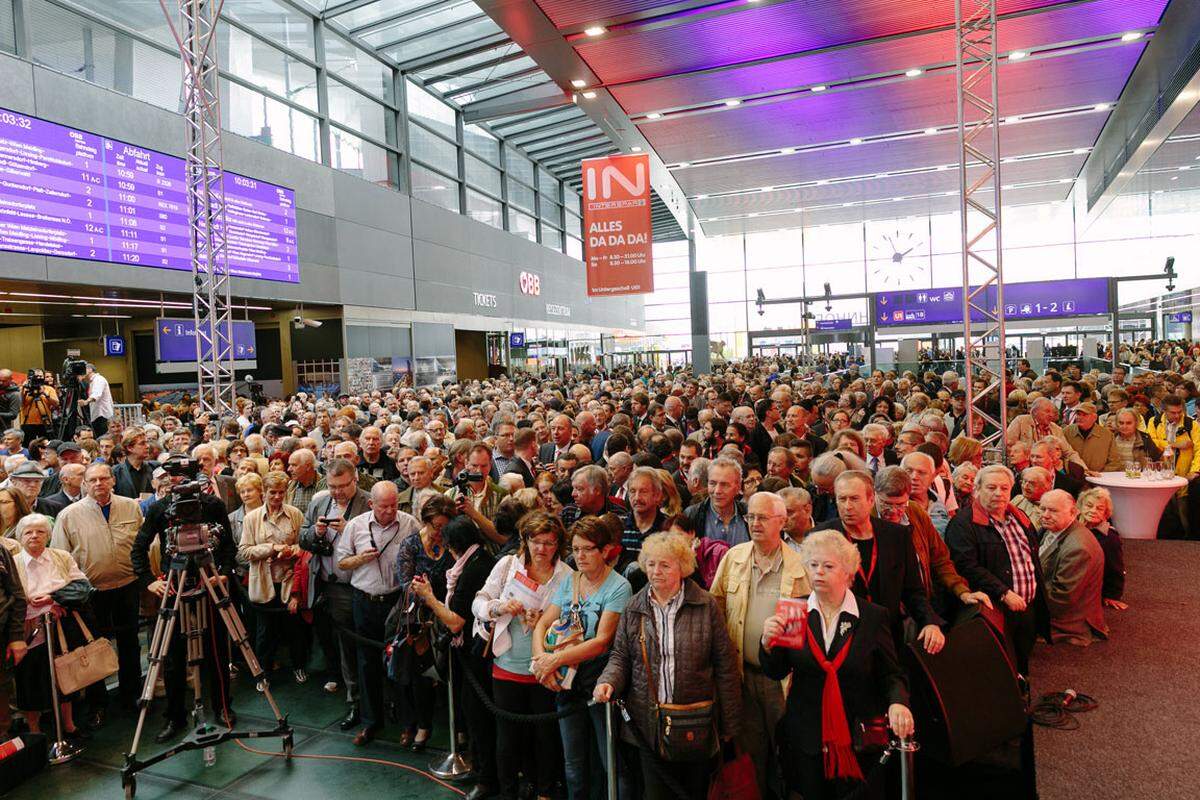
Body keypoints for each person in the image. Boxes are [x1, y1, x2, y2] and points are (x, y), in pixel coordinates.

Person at [759, 530, 913, 800]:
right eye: (813, 565)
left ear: (848, 573)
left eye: (828, 566)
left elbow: (891, 674)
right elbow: (777, 671)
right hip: (806, 736)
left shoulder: (872, 617)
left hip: (856, 737)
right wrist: (767, 645)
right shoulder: (795, 612)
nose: (818, 572)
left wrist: (898, 702)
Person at [594, 532, 743, 800]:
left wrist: (730, 725)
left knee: (694, 791)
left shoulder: (706, 605)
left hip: (695, 722)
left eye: (665, 565)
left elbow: (726, 666)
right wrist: (608, 681)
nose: (656, 571)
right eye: (650, 564)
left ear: (682, 567)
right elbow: (621, 656)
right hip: (648, 724)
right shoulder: (634, 606)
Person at [708, 491, 810, 799]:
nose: (755, 523)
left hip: (784, 681)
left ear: (782, 521)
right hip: (742, 674)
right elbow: (717, 606)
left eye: (763, 518)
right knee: (751, 754)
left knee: (786, 751)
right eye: (750, 516)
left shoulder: (802, 564)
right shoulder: (733, 557)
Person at [132, 454, 238, 742]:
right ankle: (175, 716)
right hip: (174, 585)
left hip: (209, 582)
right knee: (172, 656)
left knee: (217, 648)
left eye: (185, 477)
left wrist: (224, 572)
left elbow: (228, 545)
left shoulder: (213, 506)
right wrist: (148, 582)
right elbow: (138, 548)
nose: (179, 482)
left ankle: (223, 707)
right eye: (173, 477)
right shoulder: (159, 509)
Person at [472, 511, 573, 800]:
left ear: (558, 545)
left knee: (545, 737)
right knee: (508, 737)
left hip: (544, 667)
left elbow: (571, 622)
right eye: (535, 541)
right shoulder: (507, 565)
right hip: (507, 663)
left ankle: (543, 790)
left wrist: (546, 620)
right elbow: (479, 602)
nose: (541, 549)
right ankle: (508, 792)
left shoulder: (566, 575)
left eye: (549, 543)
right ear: (524, 540)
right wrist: (498, 608)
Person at [532, 515, 633, 800]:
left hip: (599, 682)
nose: (580, 556)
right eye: (576, 549)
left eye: (588, 549)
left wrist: (555, 661)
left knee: (610, 760)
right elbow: (542, 622)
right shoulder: (570, 580)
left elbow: (602, 641)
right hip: (567, 681)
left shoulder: (619, 586)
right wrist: (542, 662)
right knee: (573, 763)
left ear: (605, 551)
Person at [50, 462, 144, 725]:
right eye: (92, 480)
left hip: (127, 585)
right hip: (91, 594)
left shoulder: (131, 506)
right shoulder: (69, 515)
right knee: (93, 648)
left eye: (104, 478)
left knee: (129, 642)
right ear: (84, 484)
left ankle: (132, 695)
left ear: (113, 480)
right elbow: (60, 557)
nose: (99, 484)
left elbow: (141, 544)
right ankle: (98, 704)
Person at [412, 515, 498, 800]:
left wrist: (428, 596)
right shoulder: (479, 560)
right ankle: (483, 768)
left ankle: (487, 778)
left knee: (478, 716)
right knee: (473, 714)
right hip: (472, 655)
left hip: (475, 658)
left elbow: (456, 621)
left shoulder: (472, 570)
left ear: (452, 546)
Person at [814, 470, 945, 654]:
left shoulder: (897, 536)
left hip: (888, 638)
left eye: (854, 499)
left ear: (870, 499)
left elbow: (913, 591)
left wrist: (929, 622)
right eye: (842, 499)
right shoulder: (820, 537)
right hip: (840, 640)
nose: (847, 506)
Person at [336, 480, 419, 746]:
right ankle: (371, 721)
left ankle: (408, 723)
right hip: (365, 600)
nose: (390, 511)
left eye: (394, 505)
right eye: (384, 507)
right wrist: (362, 558)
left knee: (402, 662)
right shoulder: (355, 526)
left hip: (397, 601)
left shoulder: (409, 523)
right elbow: (342, 562)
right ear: (372, 504)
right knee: (367, 662)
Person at [945, 465, 1049, 674]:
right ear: (977, 489)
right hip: (993, 610)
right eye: (991, 487)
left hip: (1026, 606)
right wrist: (1003, 593)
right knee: (996, 669)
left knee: (1021, 661)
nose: (999, 493)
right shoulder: (962, 524)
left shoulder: (1019, 517)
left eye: (1004, 488)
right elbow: (966, 566)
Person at [299, 457, 371, 727]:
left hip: (359, 585)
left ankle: (372, 700)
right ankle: (354, 700)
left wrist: (349, 530)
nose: (337, 492)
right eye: (332, 486)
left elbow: (379, 545)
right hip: (326, 584)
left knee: (361, 646)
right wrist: (316, 533)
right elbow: (302, 537)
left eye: (343, 486)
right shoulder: (319, 502)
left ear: (355, 480)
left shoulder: (368, 503)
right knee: (343, 647)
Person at [11, 514, 90, 738]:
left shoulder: (61, 557)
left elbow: (83, 587)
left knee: (65, 677)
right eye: (28, 532)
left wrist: (53, 598)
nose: (34, 536)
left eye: (40, 531)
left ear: (48, 535)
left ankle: (69, 725)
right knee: (29, 681)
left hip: (61, 628)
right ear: (20, 536)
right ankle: (35, 731)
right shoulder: (12, 561)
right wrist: (29, 602)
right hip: (27, 632)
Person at [391, 493, 456, 750]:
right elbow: (405, 582)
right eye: (435, 526)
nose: (439, 531)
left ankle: (457, 728)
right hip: (416, 619)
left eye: (444, 526)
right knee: (416, 676)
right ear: (425, 522)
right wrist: (424, 593)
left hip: (447, 615)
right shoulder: (410, 545)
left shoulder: (454, 544)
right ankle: (420, 725)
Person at [239, 470, 309, 684]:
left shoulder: (295, 514)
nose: (277, 497)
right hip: (263, 582)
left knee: (295, 630)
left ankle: (298, 666)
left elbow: (304, 547)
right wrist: (271, 548)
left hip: (289, 581)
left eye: (281, 492)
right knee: (264, 633)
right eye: (272, 493)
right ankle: (264, 674)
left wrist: (290, 551)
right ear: (263, 493)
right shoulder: (252, 518)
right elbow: (244, 551)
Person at [1036, 490, 1108, 647]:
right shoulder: (1054, 528)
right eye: (1042, 509)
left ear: (1073, 513)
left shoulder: (1078, 548)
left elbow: (1061, 599)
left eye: (1053, 510)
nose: (1045, 515)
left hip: (1069, 620)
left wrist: (1023, 598)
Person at [1077, 487, 1127, 611]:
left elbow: (1115, 569)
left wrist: (1112, 595)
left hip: (1091, 589)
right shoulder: (1073, 527)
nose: (1093, 511)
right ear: (1080, 507)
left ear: (1106, 514)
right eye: (1089, 505)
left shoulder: (1109, 537)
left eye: (1099, 508)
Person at [682, 456, 748, 546]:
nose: (717, 491)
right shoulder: (692, 515)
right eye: (712, 483)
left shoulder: (749, 514)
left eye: (724, 485)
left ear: (738, 487)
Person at [1061, 402, 1120, 473]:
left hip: (1098, 479)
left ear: (1094, 417)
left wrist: (1100, 475)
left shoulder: (1107, 435)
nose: (1080, 417)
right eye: (1078, 414)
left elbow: (1114, 462)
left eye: (1085, 415)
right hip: (1072, 479)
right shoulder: (1066, 432)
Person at [78, 363, 113, 437]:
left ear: (90, 370)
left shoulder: (98, 379)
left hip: (102, 415)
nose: (81, 372)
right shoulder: (91, 382)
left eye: (83, 370)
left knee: (102, 438)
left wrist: (86, 402)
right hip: (97, 416)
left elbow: (96, 394)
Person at [1013, 466, 1054, 531]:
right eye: (1024, 481)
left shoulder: (1052, 507)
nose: (1025, 487)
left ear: (1046, 487)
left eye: (1032, 483)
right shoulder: (1018, 499)